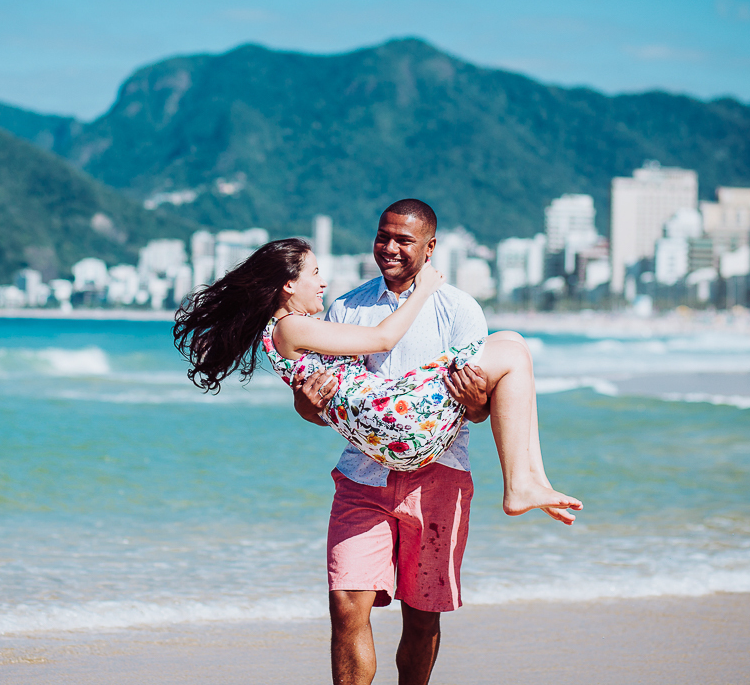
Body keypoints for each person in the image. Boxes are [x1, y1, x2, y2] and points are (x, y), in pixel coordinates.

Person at [174, 199, 579, 685]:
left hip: (438, 467)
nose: (388, 248)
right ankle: (523, 483)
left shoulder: (459, 309)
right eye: (382, 236)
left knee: (423, 617)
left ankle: (527, 481)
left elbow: (477, 409)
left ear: (429, 247)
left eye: (403, 240)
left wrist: (476, 400)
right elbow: (326, 402)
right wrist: (305, 402)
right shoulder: (346, 308)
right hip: (368, 467)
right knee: (347, 606)